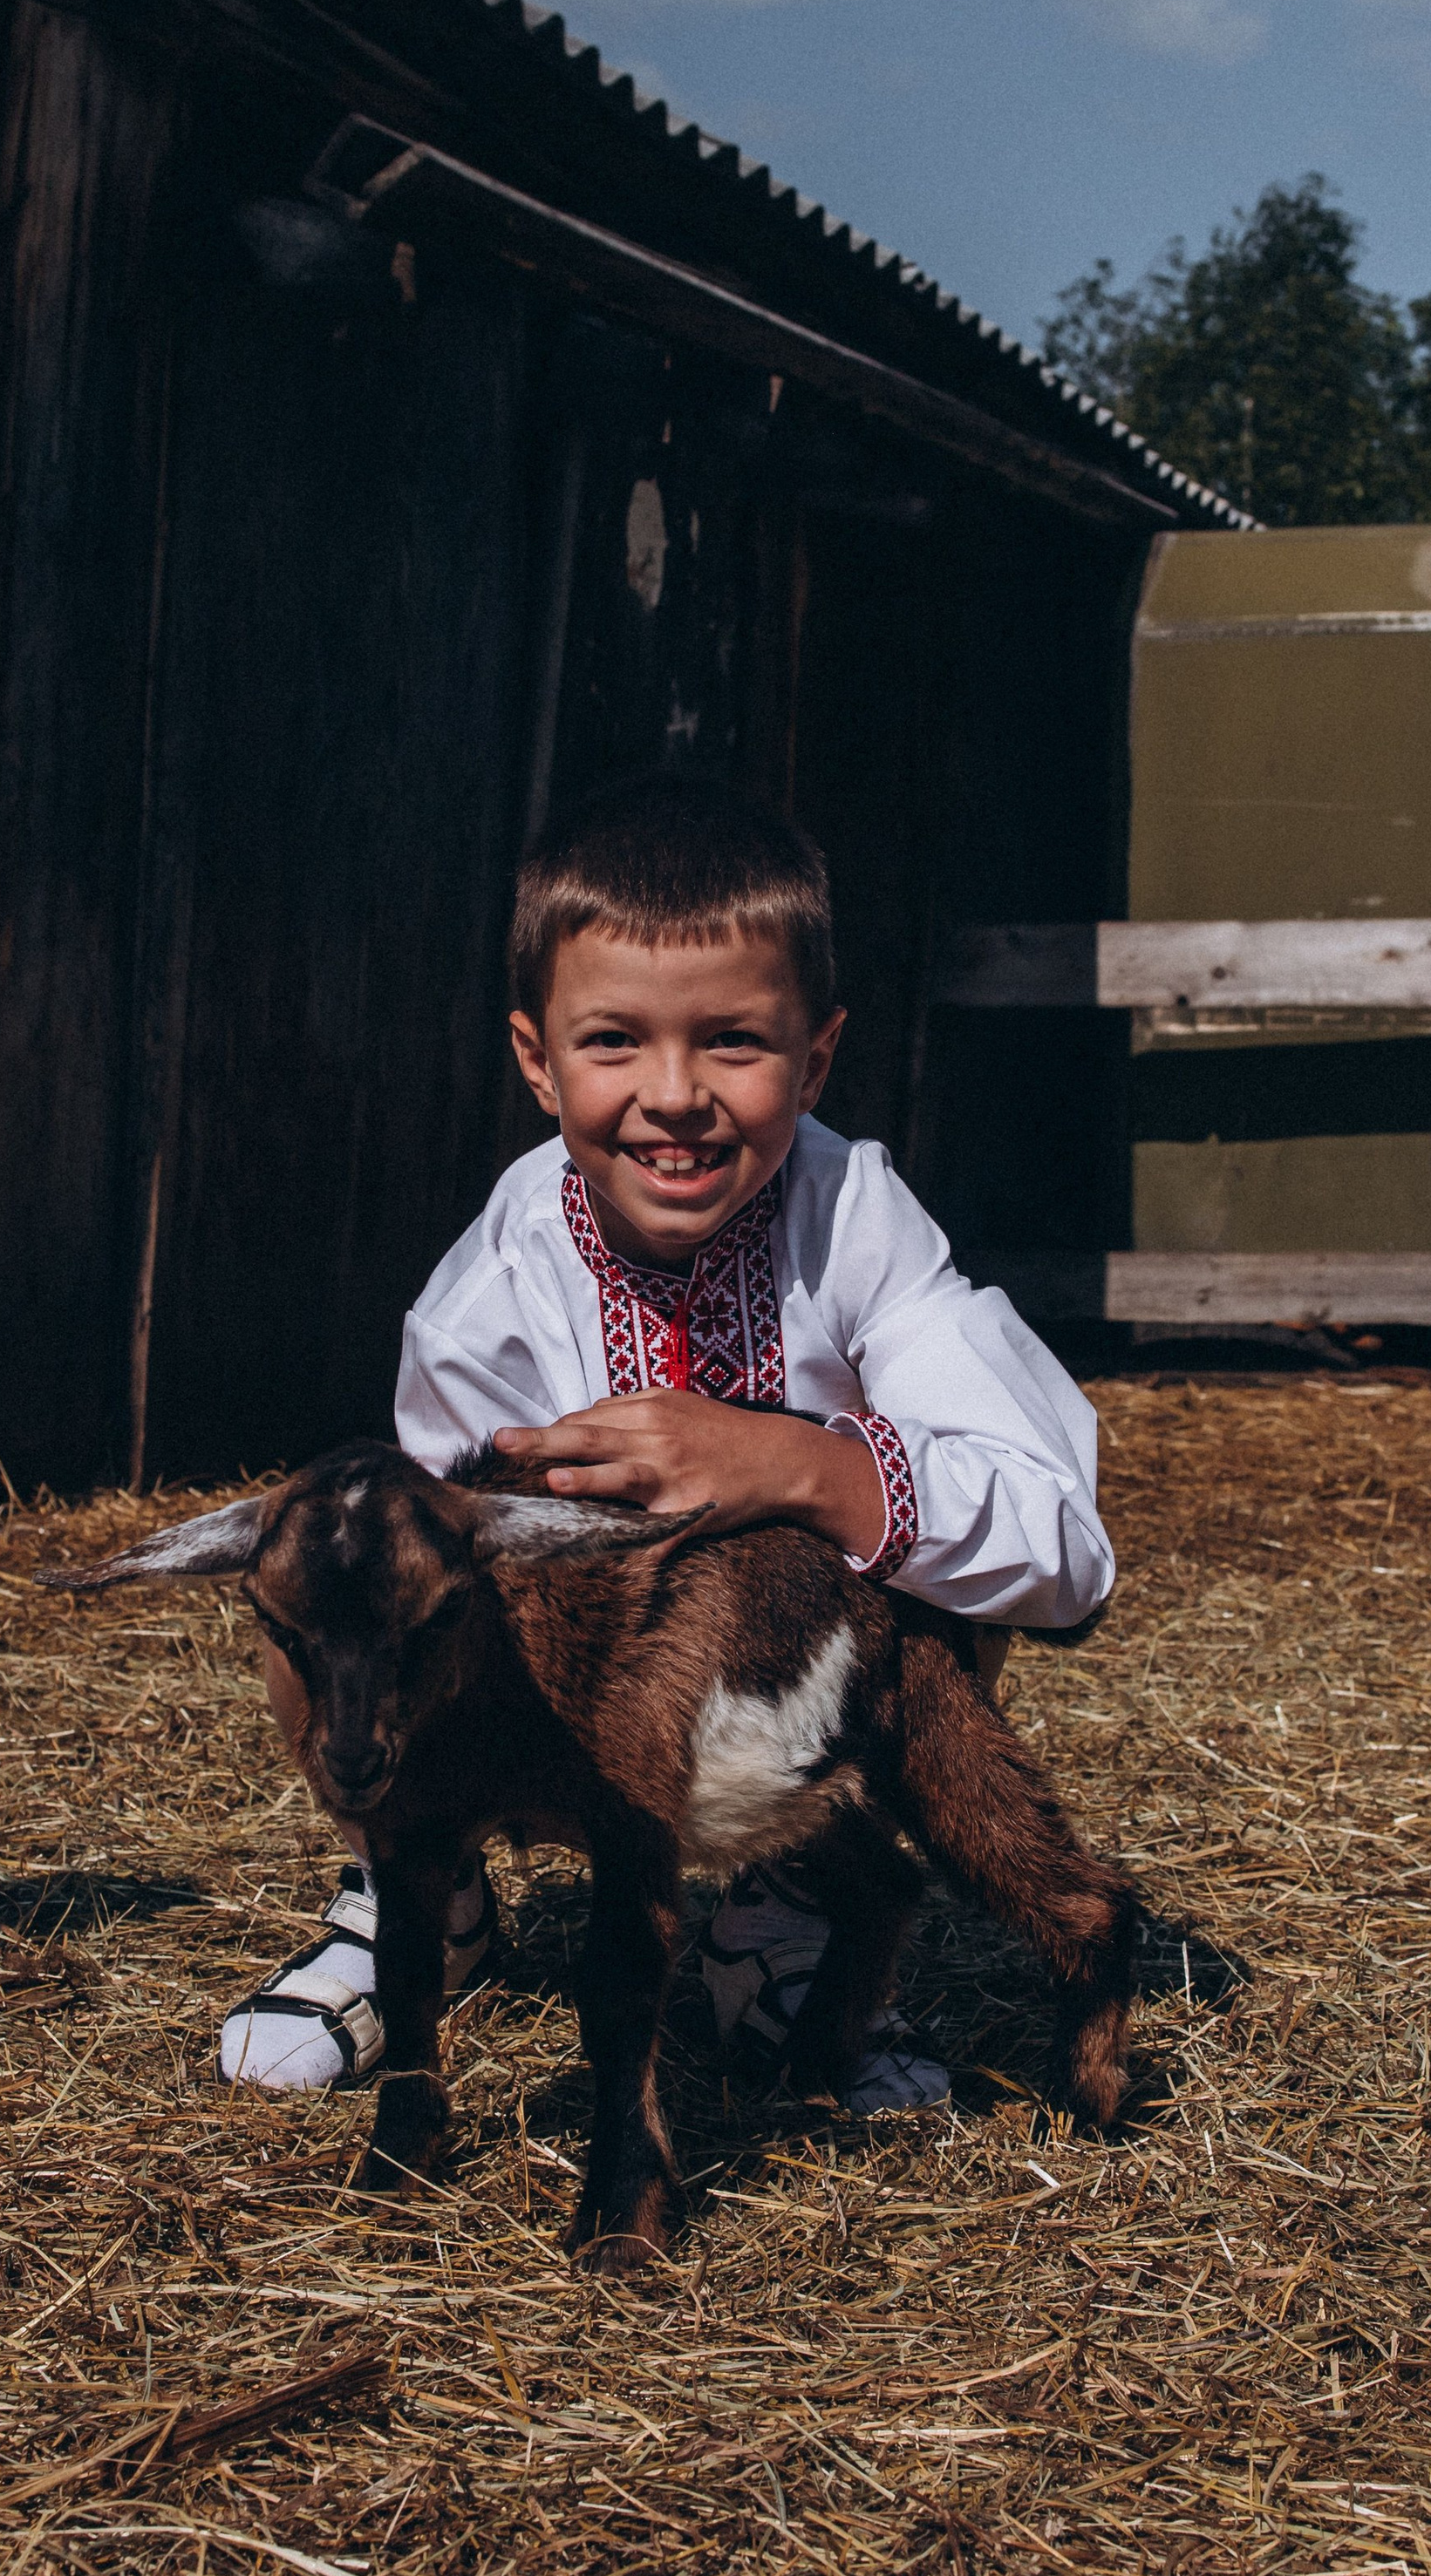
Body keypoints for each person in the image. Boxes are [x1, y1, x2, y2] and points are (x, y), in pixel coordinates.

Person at [217, 772, 1114, 2106]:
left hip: (793, 1693)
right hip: (571, 1708)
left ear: (815, 1059)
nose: (676, 1095)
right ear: (537, 1061)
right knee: (348, 1591)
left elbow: (1067, 1553)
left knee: (933, 1570)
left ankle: (782, 1915)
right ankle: (422, 1901)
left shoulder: (863, 1228)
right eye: (616, 1042)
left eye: (736, 1044)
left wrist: (801, 1468)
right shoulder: (488, 1303)